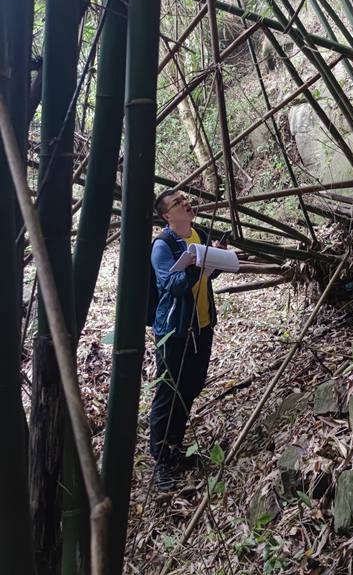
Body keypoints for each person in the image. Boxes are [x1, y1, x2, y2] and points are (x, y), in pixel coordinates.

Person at [149, 188, 227, 492]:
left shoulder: (199, 233)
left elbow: (208, 275)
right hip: (175, 330)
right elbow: (170, 284)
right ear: (167, 215)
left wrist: (217, 257)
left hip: (202, 324)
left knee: (192, 385)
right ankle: (160, 460)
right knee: (169, 393)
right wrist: (196, 266)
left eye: (185, 199)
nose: (186, 203)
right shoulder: (163, 245)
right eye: (177, 203)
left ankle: (175, 449)